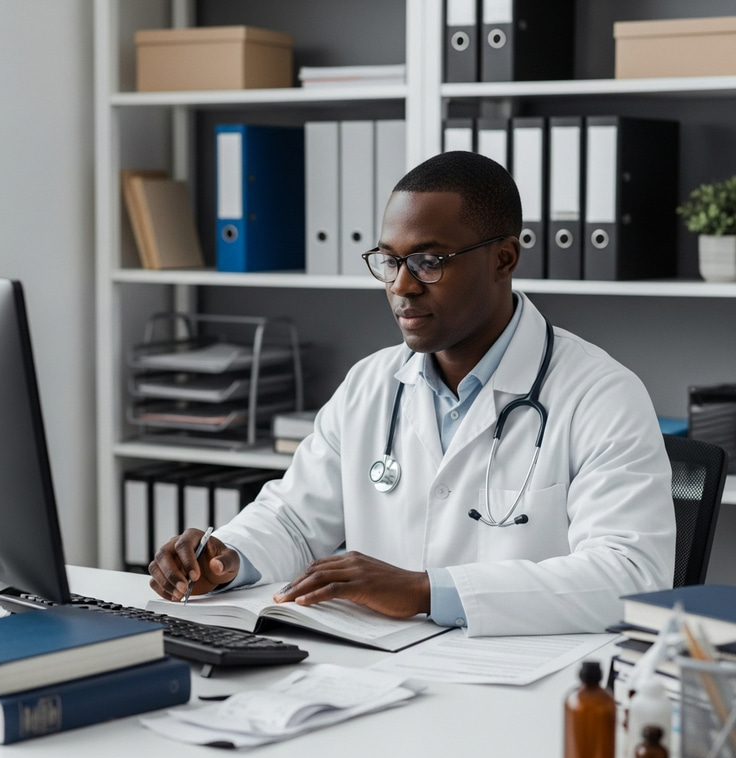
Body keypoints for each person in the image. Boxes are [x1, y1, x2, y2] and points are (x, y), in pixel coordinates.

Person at [148, 150, 675, 636]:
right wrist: (227, 557)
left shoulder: (601, 395)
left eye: (429, 261)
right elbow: (294, 519)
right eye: (389, 260)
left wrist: (426, 591)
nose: (401, 285)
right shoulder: (371, 384)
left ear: (504, 259)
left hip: (522, 688)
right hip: (380, 676)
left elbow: (630, 576)